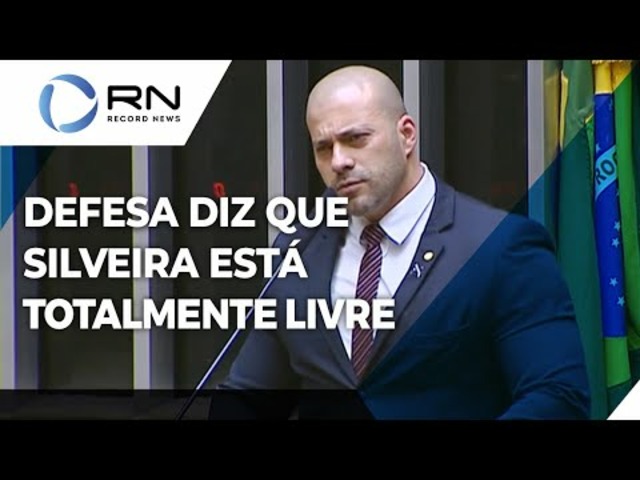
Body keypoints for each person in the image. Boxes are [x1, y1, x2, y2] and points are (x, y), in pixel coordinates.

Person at [208, 65, 591, 420]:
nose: (339, 161)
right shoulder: (299, 251)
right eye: (324, 148)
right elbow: (250, 397)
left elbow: (558, 395)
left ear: (406, 134)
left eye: (355, 139)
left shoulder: (499, 247)